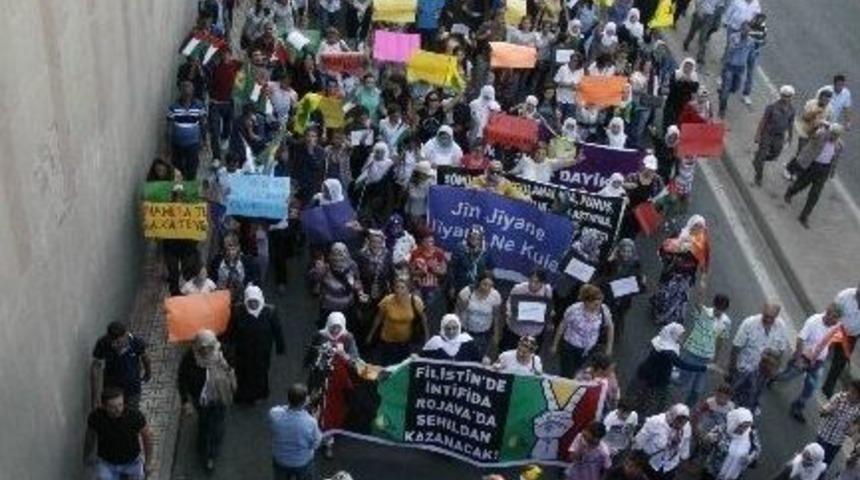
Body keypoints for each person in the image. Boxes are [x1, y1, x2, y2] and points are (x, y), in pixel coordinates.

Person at [768, 304, 842, 422]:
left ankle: (797, 407)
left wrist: (826, 356)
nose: (835, 321)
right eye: (834, 317)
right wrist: (797, 360)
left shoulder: (836, 327)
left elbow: (833, 343)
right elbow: (800, 339)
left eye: (838, 318)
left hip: (818, 361)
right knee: (786, 376)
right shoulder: (813, 321)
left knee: (810, 387)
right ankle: (772, 377)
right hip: (803, 358)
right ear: (827, 313)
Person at [177, 330, 236, 472]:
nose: (206, 350)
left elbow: (232, 366)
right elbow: (182, 379)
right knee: (204, 423)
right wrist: (185, 401)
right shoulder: (190, 358)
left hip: (220, 395)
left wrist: (226, 368)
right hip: (201, 399)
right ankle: (204, 448)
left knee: (216, 425)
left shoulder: (224, 352)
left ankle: (210, 455)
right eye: (202, 348)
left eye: (209, 346)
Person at [627, 323, 706, 416]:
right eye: (681, 335)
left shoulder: (661, 341)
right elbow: (681, 364)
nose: (683, 337)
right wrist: (704, 368)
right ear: (674, 334)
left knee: (646, 402)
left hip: (648, 377)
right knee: (649, 404)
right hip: (653, 381)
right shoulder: (669, 351)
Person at [226, 284, 285, 404]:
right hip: (243, 351)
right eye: (250, 301)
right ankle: (243, 396)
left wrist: (280, 347)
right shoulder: (238, 311)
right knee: (243, 373)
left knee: (261, 372)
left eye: (255, 301)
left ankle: (259, 394)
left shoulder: (269, 312)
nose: (253, 304)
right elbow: (231, 330)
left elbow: (277, 330)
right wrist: (228, 346)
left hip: (262, 350)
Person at [650, 215, 710, 326]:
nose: (697, 229)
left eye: (700, 227)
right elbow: (665, 247)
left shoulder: (702, 244)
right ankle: (658, 310)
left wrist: (703, 276)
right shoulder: (680, 235)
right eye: (696, 225)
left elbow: (704, 260)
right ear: (691, 224)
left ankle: (667, 319)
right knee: (664, 294)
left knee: (678, 298)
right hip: (672, 271)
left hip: (686, 276)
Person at [83, 388, 155, 480]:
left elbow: (147, 436)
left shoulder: (134, 416)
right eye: (112, 407)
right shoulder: (96, 418)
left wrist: (148, 462)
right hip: (107, 463)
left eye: (120, 405)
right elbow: (90, 437)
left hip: (131, 463)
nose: (118, 410)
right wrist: (87, 456)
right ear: (104, 406)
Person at [783, 123, 845, 228]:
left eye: (836, 135)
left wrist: (832, 171)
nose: (834, 136)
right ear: (830, 132)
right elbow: (810, 133)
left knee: (815, 194)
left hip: (824, 170)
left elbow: (835, 159)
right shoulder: (821, 135)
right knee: (801, 184)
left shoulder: (839, 145)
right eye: (833, 133)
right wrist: (818, 125)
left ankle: (804, 216)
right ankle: (790, 192)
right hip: (813, 165)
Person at [676, 293, 732, 406]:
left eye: (722, 309)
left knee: (698, 388)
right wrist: (703, 279)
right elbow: (699, 299)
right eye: (717, 308)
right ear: (714, 305)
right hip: (692, 352)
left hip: (706, 357)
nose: (719, 311)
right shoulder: (704, 312)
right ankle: (677, 406)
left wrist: (716, 358)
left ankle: (687, 408)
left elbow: (720, 340)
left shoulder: (726, 322)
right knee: (684, 384)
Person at [552, 284, 614, 378]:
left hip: (588, 349)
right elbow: (563, 325)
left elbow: (610, 327)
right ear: (586, 302)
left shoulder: (604, 310)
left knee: (579, 370)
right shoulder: (574, 310)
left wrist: (609, 347)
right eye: (595, 303)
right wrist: (555, 345)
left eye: (600, 301)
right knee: (567, 372)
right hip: (570, 346)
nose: (598, 305)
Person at [366, 278, 428, 366]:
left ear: (408, 289)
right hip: (388, 341)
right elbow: (378, 318)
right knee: (387, 366)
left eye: (402, 287)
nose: (399, 290)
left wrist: (427, 337)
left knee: (401, 367)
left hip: (406, 342)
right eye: (397, 287)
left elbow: (424, 320)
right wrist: (371, 334)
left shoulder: (415, 301)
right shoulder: (387, 301)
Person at [91, 321, 151, 411]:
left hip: (132, 388)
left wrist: (148, 372)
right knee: (112, 413)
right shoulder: (102, 343)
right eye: (113, 342)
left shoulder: (136, 342)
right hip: (112, 388)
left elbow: (145, 358)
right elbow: (96, 366)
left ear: (125, 335)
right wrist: (96, 396)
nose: (115, 346)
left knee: (131, 413)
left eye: (119, 342)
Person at [270, 383, 323, 480]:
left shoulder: (274, 414)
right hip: (301, 462)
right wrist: (315, 419)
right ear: (304, 401)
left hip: (280, 460)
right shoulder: (310, 422)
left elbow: (283, 409)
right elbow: (316, 444)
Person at [308, 242, 366, 329]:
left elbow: (357, 281)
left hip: (348, 308)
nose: (339, 256)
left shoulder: (352, 265)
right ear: (331, 255)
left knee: (348, 329)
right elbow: (313, 279)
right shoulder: (325, 268)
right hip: (330, 309)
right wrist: (318, 270)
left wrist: (360, 293)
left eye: (342, 252)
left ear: (347, 253)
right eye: (336, 252)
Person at [596, 239, 643, 340]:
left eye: (629, 251)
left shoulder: (635, 263)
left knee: (618, 317)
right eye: (623, 251)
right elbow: (603, 273)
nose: (626, 254)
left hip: (623, 298)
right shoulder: (614, 261)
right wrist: (609, 261)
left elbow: (637, 281)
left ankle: (614, 335)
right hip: (609, 294)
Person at [784, 87, 833, 181]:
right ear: (820, 97)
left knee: (808, 156)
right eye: (824, 98)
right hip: (805, 132)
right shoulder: (811, 103)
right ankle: (789, 169)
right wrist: (815, 112)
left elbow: (829, 121)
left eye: (828, 99)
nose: (826, 101)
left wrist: (824, 124)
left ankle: (796, 172)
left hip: (816, 135)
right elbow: (805, 117)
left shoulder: (830, 108)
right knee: (801, 152)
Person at [499, 269, 554, 352]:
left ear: (543, 282)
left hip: (534, 332)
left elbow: (548, 306)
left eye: (537, 282)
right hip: (516, 330)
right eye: (531, 280)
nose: (532, 284)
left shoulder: (547, 291)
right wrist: (511, 313)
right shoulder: (519, 288)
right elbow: (509, 303)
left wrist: (549, 312)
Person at [633, 404, 693, 479]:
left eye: (684, 421)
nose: (681, 424)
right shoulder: (655, 422)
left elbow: (684, 451)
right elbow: (639, 441)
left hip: (669, 467)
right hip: (650, 464)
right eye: (679, 420)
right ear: (673, 416)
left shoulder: (686, 428)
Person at [752, 85, 796, 186]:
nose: (786, 98)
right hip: (768, 134)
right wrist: (758, 134)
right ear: (781, 95)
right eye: (784, 95)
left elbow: (790, 123)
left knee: (774, 155)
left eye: (788, 96)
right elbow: (763, 121)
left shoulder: (792, 110)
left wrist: (790, 137)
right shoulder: (772, 107)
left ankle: (758, 158)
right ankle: (758, 176)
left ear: (791, 97)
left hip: (779, 136)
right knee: (761, 157)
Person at [822, 284, 860, 397]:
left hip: (851, 337)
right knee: (819, 354)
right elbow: (831, 311)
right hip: (835, 331)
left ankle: (828, 387)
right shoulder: (845, 295)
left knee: (839, 364)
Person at [455, 271, 503, 359]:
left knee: (479, 357)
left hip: (484, 334)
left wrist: (496, 335)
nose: (487, 288)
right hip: (466, 331)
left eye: (490, 286)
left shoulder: (495, 296)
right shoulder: (467, 292)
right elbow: (457, 312)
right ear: (478, 283)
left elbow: (496, 317)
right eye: (484, 284)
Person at [167, 80, 207, 180]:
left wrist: (204, 140)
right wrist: (168, 144)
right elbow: (169, 127)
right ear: (180, 90)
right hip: (177, 144)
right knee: (177, 169)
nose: (186, 89)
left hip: (193, 144)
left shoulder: (199, 106)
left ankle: (190, 189)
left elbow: (203, 124)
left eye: (189, 86)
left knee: (192, 168)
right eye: (184, 86)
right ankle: (179, 191)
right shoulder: (173, 107)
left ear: (193, 90)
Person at [816, 380, 860, 466]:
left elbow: (854, 428)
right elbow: (822, 412)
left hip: (837, 442)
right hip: (823, 436)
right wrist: (829, 410)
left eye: (853, 393)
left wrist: (852, 429)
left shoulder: (858, 409)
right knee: (814, 460)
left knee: (824, 465)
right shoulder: (838, 397)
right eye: (850, 390)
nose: (849, 394)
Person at [718, 21, 755, 118]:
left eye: (748, 31)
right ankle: (722, 108)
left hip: (740, 68)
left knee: (735, 88)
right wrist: (739, 44)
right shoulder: (734, 37)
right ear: (741, 29)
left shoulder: (751, 41)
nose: (746, 32)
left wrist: (751, 64)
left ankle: (723, 92)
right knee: (726, 88)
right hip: (730, 66)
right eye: (745, 30)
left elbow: (750, 55)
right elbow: (730, 49)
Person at [448, 225, 495, 299]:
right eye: (472, 237)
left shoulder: (486, 250)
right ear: (468, 237)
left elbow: (490, 269)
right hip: (461, 285)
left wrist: (488, 287)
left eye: (477, 238)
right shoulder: (460, 248)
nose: (474, 240)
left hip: (479, 287)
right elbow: (452, 269)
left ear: (481, 239)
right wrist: (451, 287)